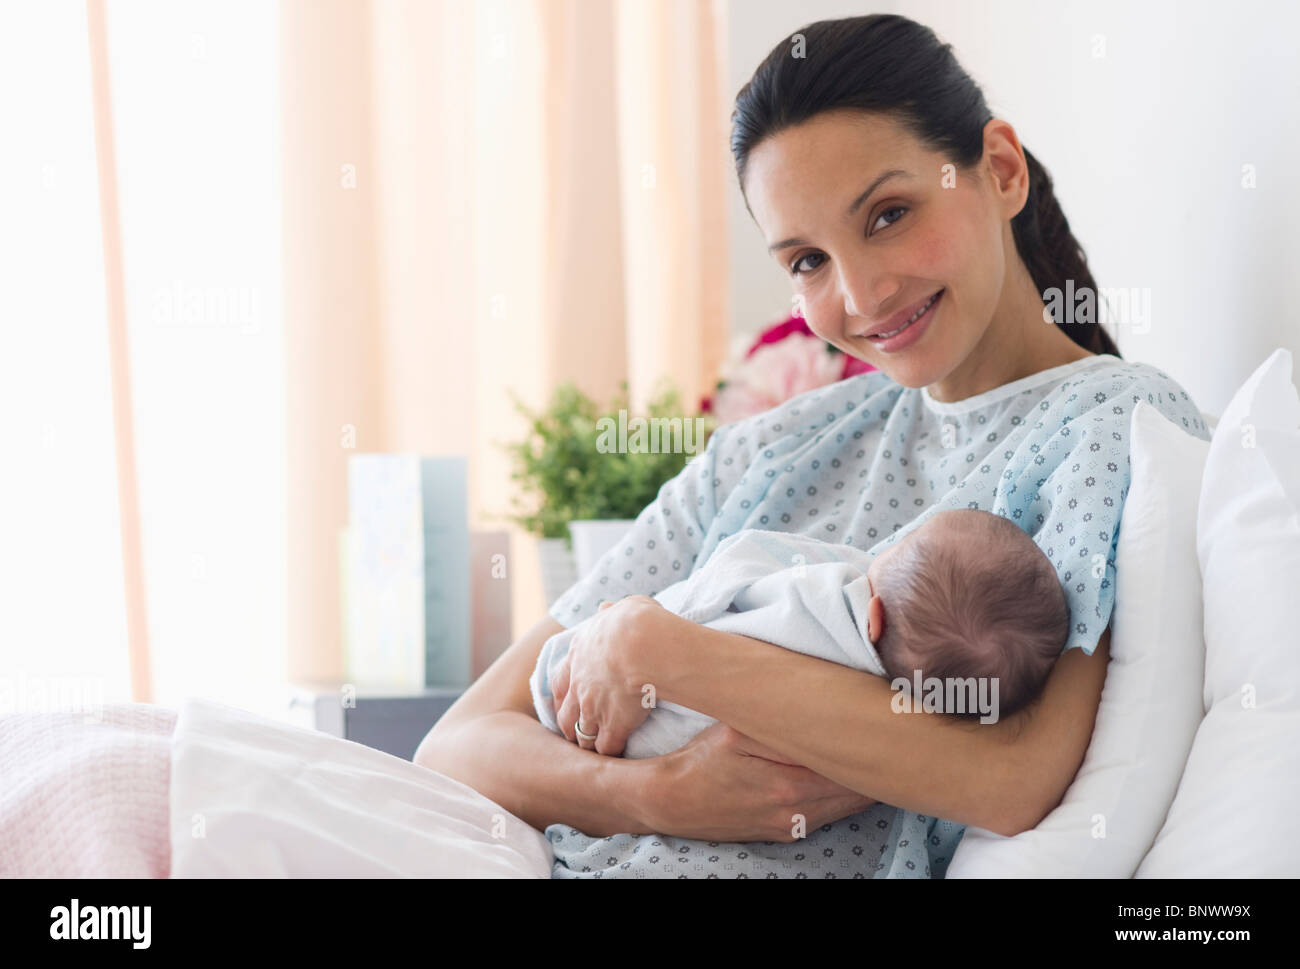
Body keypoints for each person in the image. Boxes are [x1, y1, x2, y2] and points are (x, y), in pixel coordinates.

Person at [415, 13, 1210, 878]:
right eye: (805, 260)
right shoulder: (768, 451)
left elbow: (1013, 774)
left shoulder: (1110, 425)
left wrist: (668, 653)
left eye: (888, 214)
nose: (861, 294)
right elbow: (458, 745)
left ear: (1003, 171)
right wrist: (663, 794)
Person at [531, 509, 1070, 760]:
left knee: (561, 676)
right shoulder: (897, 719)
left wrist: (650, 619)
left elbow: (738, 567)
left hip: (591, 694)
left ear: (874, 616)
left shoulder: (829, 594)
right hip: (656, 749)